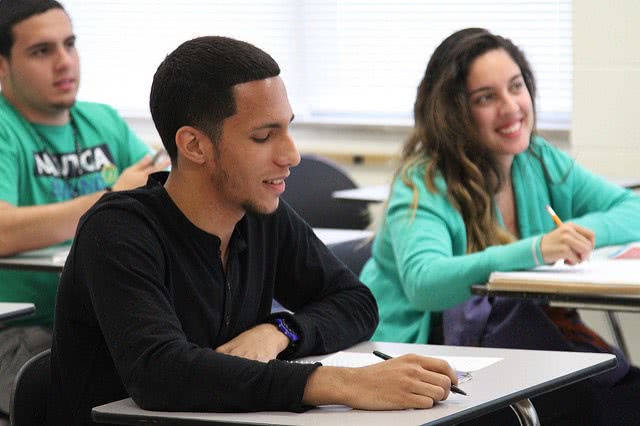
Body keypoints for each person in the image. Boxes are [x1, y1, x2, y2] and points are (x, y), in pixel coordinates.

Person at [47, 35, 460, 424]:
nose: (292, 155)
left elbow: (355, 302)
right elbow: (160, 372)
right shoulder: (119, 231)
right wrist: (339, 383)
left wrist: (280, 331)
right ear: (194, 146)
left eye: (288, 128)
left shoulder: (259, 214)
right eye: (264, 136)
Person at [359, 28, 640, 424]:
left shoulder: (536, 158)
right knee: (595, 406)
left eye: (516, 87)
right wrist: (538, 248)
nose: (511, 107)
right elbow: (424, 282)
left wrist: (579, 232)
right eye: (486, 98)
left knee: (620, 395)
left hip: (503, 345)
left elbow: (633, 210)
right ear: (454, 112)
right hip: (422, 355)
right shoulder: (423, 181)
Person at [0, 0, 167, 416]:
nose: (64, 63)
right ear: (2, 66)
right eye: (42, 51)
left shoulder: (102, 120)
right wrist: (111, 196)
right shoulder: (4, 129)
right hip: (23, 331)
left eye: (70, 45)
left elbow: (163, 196)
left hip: (111, 321)